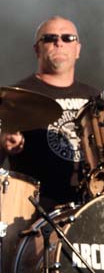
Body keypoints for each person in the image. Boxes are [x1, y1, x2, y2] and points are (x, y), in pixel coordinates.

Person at [0, 16, 97, 210]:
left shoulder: (96, 98)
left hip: (89, 204)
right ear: (37, 49)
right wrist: (3, 143)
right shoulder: (12, 98)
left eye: (68, 38)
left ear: (77, 49)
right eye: (50, 38)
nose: (59, 42)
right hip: (33, 208)